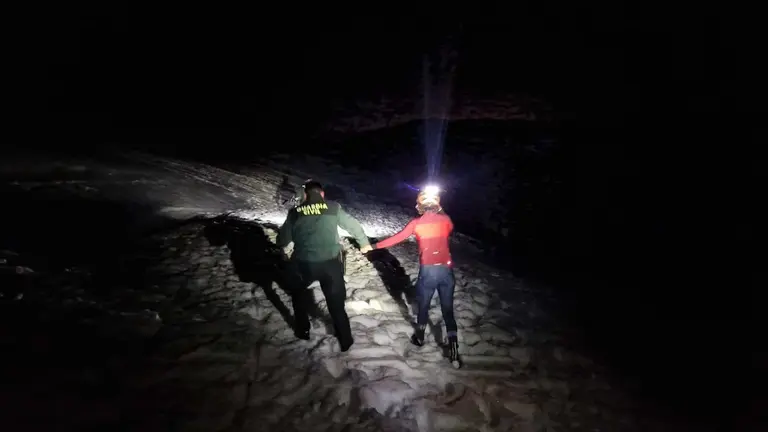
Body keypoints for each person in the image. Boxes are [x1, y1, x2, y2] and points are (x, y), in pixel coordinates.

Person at [276, 179, 372, 352]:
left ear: (305, 195)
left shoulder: (295, 212)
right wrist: (364, 243)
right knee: (336, 305)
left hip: (303, 264)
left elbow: (282, 240)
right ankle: (346, 341)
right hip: (331, 266)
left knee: (298, 295)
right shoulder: (333, 208)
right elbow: (353, 225)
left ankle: (303, 331)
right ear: (322, 194)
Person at [371, 187, 460, 365]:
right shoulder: (445, 220)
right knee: (448, 310)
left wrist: (374, 246)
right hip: (446, 271)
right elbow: (449, 225)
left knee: (424, 305)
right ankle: (453, 347)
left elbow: (396, 238)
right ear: (437, 204)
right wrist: (439, 208)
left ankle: (419, 337)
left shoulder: (416, 223)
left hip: (428, 271)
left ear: (419, 205)